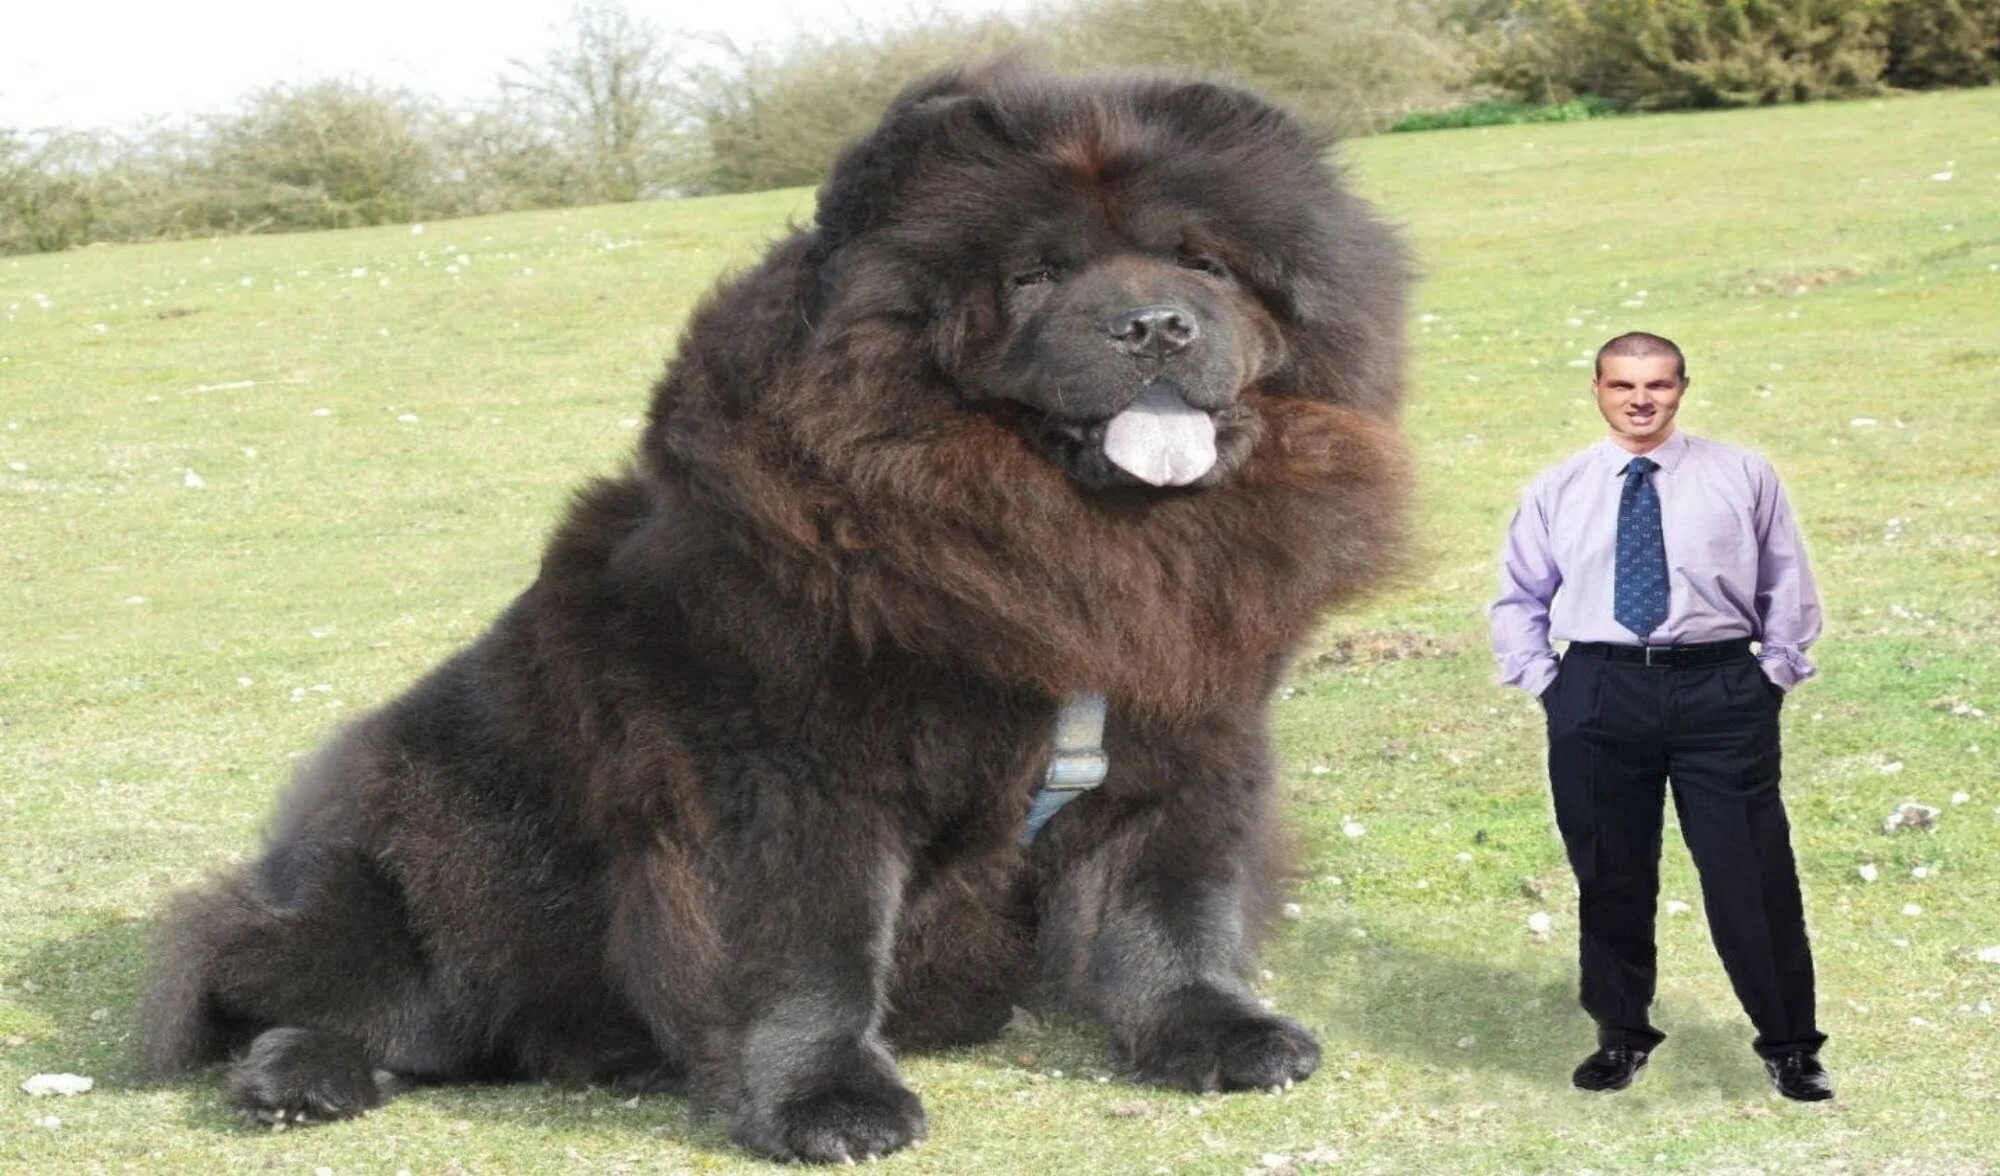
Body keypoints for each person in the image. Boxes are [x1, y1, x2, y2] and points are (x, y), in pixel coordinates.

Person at [1489, 331, 1832, 1101]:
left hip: (1720, 693)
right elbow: (1519, 596)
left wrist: (1770, 675)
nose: (1640, 399)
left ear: (1681, 388)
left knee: (1751, 872)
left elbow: (1788, 579)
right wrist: (1551, 686)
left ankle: (1789, 1046)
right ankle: (1620, 1034)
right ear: (1599, 390)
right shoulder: (1559, 487)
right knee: (1610, 874)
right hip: (1599, 691)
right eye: (1623, 386)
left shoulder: (1742, 475)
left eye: (1657, 385)